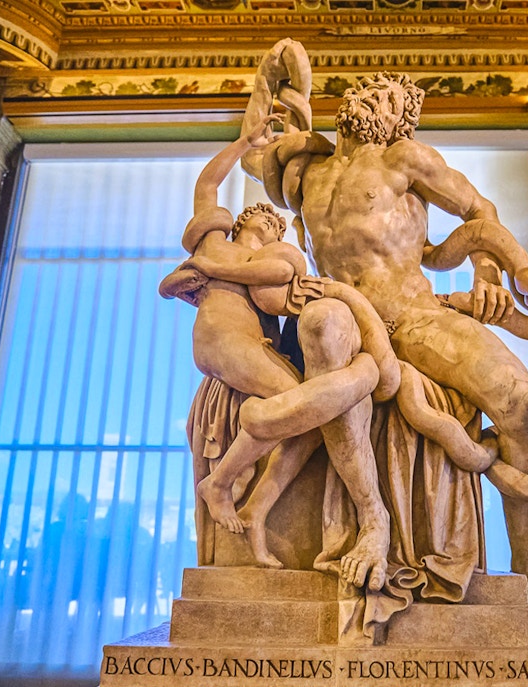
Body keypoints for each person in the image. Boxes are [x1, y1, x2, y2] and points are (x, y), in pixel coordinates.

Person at [241, 58, 528, 637]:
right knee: (322, 324)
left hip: (414, 315)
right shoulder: (307, 172)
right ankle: (372, 518)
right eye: (369, 91)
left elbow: (480, 212)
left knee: (526, 405)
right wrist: (277, 75)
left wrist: (486, 274)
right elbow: (255, 147)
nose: (376, 101)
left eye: (391, 100)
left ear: (403, 121)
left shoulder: (406, 158)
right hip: (349, 315)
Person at [161, 114, 396, 579]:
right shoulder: (217, 242)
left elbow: (277, 288)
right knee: (300, 407)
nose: (275, 226)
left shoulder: (236, 260)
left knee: (310, 419)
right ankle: (220, 482)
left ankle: (256, 510)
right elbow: (207, 186)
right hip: (222, 343)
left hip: (253, 344)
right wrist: (242, 143)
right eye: (269, 220)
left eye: (279, 227)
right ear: (249, 219)